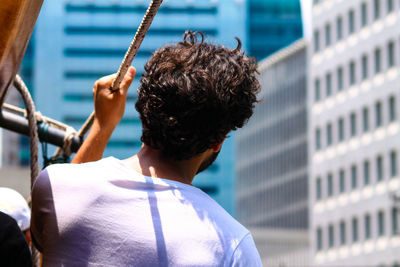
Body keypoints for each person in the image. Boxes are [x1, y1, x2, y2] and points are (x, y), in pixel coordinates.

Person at [31, 31, 262, 266]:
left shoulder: (55, 185)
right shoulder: (234, 247)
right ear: (218, 140)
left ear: (144, 110)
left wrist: (102, 126)